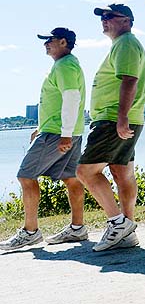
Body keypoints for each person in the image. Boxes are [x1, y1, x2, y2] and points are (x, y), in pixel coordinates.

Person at [0, 28, 87, 251]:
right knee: (71, 178)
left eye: (49, 40)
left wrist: (64, 133)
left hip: (58, 133)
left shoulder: (65, 65)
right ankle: (78, 228)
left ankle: (30, 232)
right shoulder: (68, 64)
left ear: (63, 42)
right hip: (65, 130)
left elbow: (71, 97)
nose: (45, 44)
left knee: (26, 176)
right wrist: (42, 127)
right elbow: (60, 101)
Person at [76, 4, 145, 250]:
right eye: (102, 17)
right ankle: (127, 230)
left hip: (112, 119)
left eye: (109, 16)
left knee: (85, 172)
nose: (104, 20)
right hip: (121, 117)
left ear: (126, 20)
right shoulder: (123, 44)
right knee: (121, 171)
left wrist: (121, 117)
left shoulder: (126, 43)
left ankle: (118, 223)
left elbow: (129, 80)